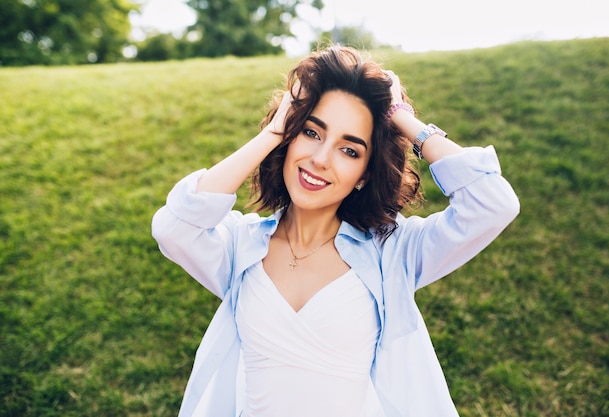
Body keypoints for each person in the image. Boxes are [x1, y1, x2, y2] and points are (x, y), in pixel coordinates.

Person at [152, 45, 520, 417]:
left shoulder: (392, 253)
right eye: (312, 132)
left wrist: (404, 120)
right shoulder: (240, 246)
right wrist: (274, 133)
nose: (320, 159)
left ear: (365, 175)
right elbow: (174, 227)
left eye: (350, 151)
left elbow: (492, 203)